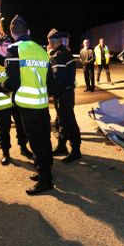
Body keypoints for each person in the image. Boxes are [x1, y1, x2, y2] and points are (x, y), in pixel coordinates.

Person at [3, 15, 54, 195]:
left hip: (27, 107)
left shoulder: (15, 50)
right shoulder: (41, 50)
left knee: (36, 143)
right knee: (44, 141)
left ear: (12, 33)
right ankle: (44, 173)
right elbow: (50, 82)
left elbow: (12, 83)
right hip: (41, 104)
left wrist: (3, 85)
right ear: (28, 32)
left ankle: (46, 181)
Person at [0, 35, 34, 165]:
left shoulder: (15, 59)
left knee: (21, 127)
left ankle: (23, 147)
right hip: (2, 103)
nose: (8, 48)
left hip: (17, 101)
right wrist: (3, 88)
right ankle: (6, 153)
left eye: (10, 45)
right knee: (4, 129)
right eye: (6, 45)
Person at [48, 30, 82, 163]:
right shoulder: (65, 53)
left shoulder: (59, 55)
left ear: (51, 42)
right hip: (65, 93)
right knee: (62, 122)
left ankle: (76, 151)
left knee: (69, 122)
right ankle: (62, 146)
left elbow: (57, 79)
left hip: (63, 95)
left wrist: (49, 92)